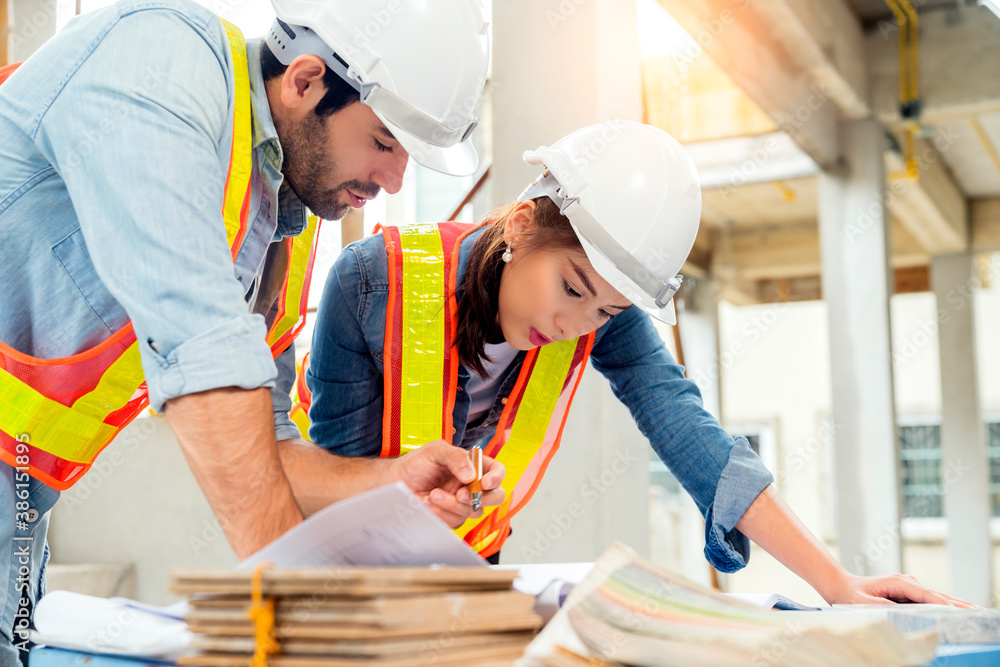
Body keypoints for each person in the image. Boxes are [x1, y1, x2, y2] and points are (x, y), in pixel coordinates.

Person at [0, 0, 502, 661]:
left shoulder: (278, 216)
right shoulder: (158, 59)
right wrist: (300, 614)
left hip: (24, 490)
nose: (392, 179)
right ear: (304, 80)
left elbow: (268, 439)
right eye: (383, 142)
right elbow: (197, 341)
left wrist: (388, 481)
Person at [303, 120, 974, 606]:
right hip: (350, 592)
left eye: (602, 309)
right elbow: (330, 498)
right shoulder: (370, 284)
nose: (573, 324)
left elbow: (690, 433)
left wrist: (837, 583)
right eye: (570, 286)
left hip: (468, 592)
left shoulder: (600, 314)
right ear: (522, 227)